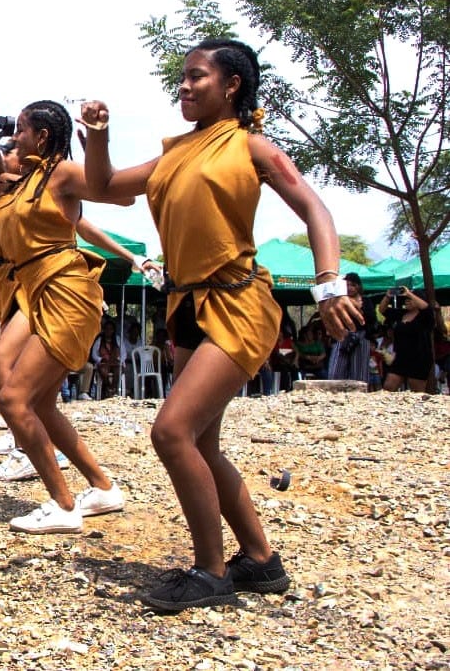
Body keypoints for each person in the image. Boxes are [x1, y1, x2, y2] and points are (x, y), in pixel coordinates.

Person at [81, 37, 361, 611]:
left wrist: (329, 282)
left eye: (196, 76)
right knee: (202, 442)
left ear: (231, 86)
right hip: (187, 307)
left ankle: (209, 571)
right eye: (182, 78)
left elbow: (315, 208)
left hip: (237, 305)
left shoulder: (250, 147)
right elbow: (104, 188)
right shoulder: (174, 153)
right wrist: (101, 139)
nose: (184, 86)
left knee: (171, 432)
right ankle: (260, 560)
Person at [0, 89, 126, 540]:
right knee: (37, 401)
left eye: (19, 130)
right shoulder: (29, 178)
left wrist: (98, 139)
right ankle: (101, 487)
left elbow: (110, 190)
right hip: (39, 292)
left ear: (42, 136)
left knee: (15, 399)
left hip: (67, 291)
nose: (12, 138)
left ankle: (62, 504)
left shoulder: (64, 175)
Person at [380, 285, 434, 392]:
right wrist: (387, 296)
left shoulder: (425, 316)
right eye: (406, 300)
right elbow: (383, 310)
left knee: (416, 393)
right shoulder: (401, 314)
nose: (407, 301)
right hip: (400, 357)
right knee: (388, 388)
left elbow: (427, 308)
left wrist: (409, 293)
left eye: (410, 299)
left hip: (419, 359)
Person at [327, 273, 372, 384]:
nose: (350, 288)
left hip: (361, 337)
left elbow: (371, 321)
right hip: (342, 336)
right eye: (347, 285)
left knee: (359, 375)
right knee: (335, 372)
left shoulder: (366, 301)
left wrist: (359, 307)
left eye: (353, 285)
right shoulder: (338, 301)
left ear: (358, 286)